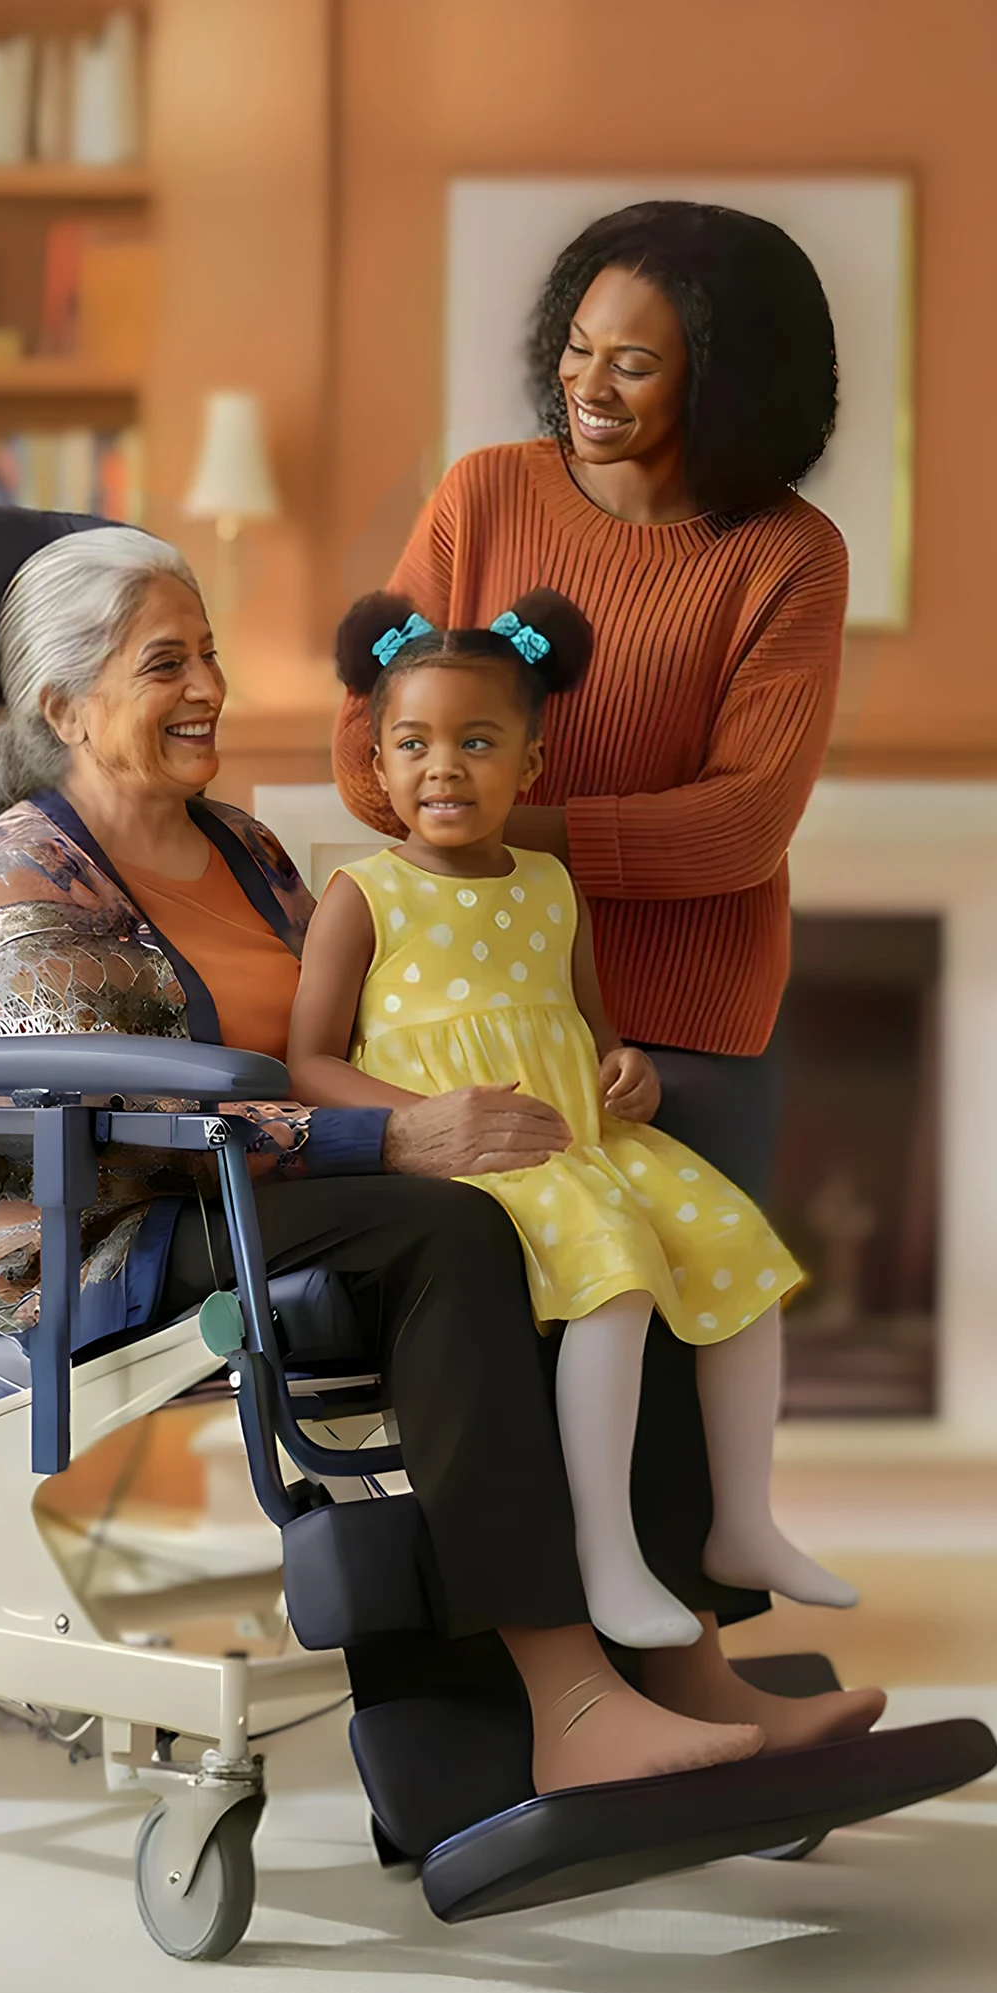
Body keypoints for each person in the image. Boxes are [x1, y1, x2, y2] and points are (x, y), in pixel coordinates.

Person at [0, 522, 880, 1786]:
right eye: (168, 663)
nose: (211, 686)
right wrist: (389, 1134)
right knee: (460, 1229)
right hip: (128, 1221)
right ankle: (569, 1707)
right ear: (65, 703)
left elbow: (367, 1031)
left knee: (607, 1216)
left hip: (298, 1177)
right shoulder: (21, 870)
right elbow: (110, 1110)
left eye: (209, 654)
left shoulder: (250, 851)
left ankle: (688, 1660)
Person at [291, 583, 853, 1653]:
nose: (442, 766)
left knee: (742, 1250)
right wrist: (425, 1116)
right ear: (377, 760)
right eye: (412, 743)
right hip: (477, 1143)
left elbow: (595, 1030)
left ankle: (743, 1523)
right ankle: (605, 1552)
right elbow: (310, 1059)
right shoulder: (364, 893)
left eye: (476, 741)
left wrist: (625, 1069)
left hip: (580, 1133)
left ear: (531, 766)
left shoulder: (553, 882)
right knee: (619, 1273)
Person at [329, 198, 847, 1203]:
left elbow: (742, 827)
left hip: (674, 1034)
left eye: (634, 365)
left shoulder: (790, 554)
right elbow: (363, 753)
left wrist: (488, 834)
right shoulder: (483, 496)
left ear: (725, 384)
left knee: (678, 1338)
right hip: (473, 1014)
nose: (587, 385)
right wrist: (489, 827)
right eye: (577, 347)